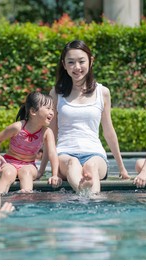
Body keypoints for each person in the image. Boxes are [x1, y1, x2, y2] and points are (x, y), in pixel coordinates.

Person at [46, 40, 130, 194]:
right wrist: (44, 168)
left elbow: (109, 131)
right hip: (65, 153)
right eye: (71, 62)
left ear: (91, 61)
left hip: (95, 153)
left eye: (81, 61)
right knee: (73, 163)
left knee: (91, 166)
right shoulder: (56, 93)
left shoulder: (102, 92)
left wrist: (122, 168)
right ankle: (84, 193)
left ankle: (89, 198)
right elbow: (50, 134)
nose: (77, 67)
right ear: (64, 65)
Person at [0, 92, 62, 194]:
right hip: (10, 162)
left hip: (29, 165)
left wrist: (54, 174)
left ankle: (26, 202)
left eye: (52, 109)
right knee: (8, 173)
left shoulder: (47, 132)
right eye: (48, 108)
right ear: (33, 111)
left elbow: (52, 153)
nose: (52, 112)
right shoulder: (18, 127)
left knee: (26, 172)